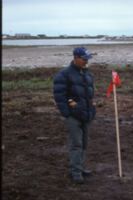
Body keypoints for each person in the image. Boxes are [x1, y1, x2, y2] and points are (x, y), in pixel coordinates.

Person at [53, 47, 96, 184]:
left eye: (87, 59)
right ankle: (75, 172)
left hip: (86, 115)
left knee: (84, 144)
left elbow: (90, 95)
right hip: (73, 117)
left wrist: (92, 110)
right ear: (76, 58)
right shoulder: (64, 75)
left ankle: (81, 168)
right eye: (84, 59)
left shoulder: (87, 74)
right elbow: (59, 96)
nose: (86, 61)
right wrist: (67, 114)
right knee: (76, 144)